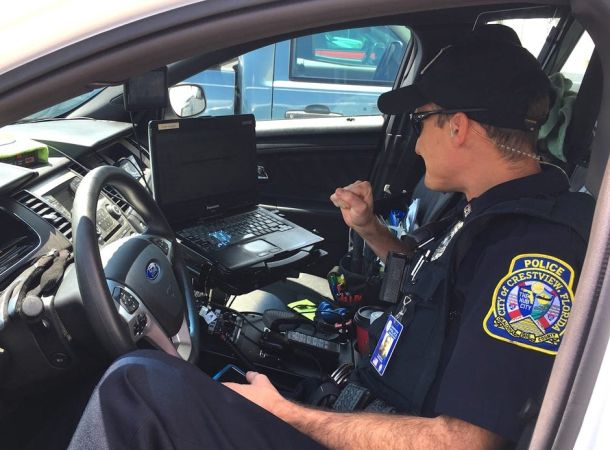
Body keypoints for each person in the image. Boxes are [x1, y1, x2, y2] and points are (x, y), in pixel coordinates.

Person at [69, 37, 594, 450]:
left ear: (457, 126)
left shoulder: (532, 253)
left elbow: (464, 442)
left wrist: (289, 415)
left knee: (135, 387)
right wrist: (369, 228)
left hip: (388, 427)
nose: (415, 142)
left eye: (419, 123)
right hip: (365, 396)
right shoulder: (485, 206)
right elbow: (434, 280)